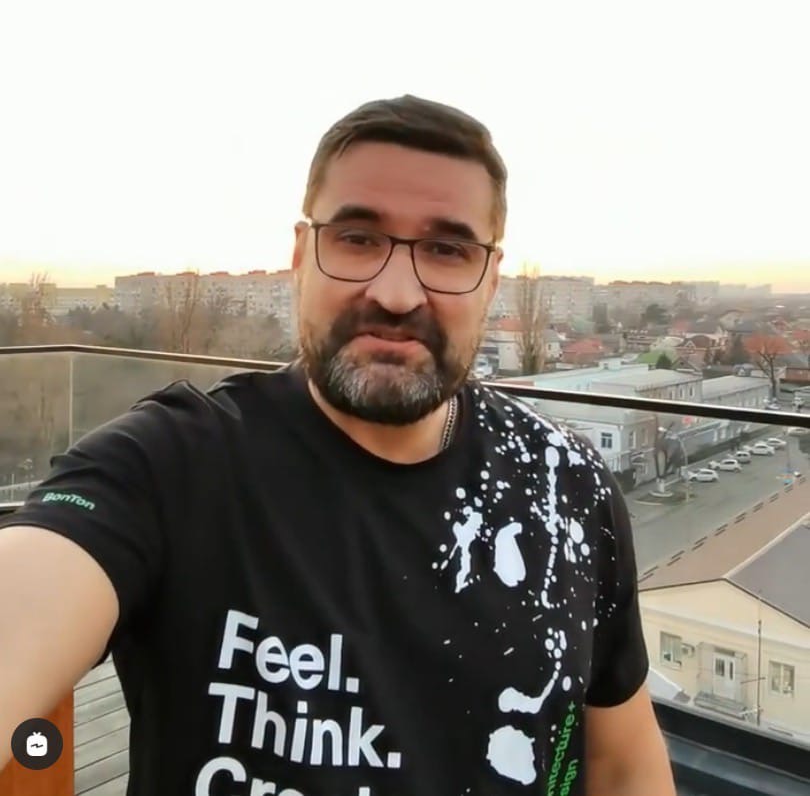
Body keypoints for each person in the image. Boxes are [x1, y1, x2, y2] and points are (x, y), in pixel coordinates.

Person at [0, 95, 676, 795]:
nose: (395, 294)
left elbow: (621, 763)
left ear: (490, 281)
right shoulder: (174, 466)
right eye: (357, 238)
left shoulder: (566, 487)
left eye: (447, 250)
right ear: (302, 256)